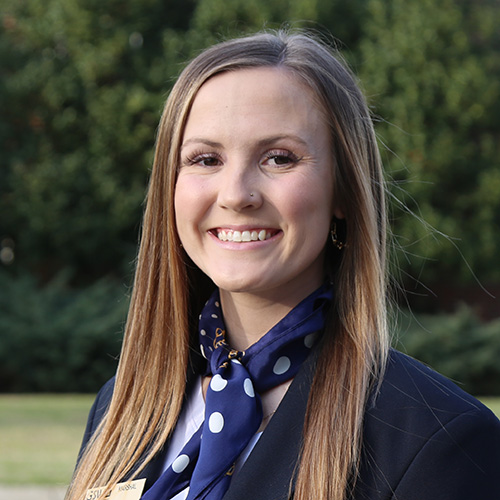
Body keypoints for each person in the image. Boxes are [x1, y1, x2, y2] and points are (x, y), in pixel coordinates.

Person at [66, 31, 500, 500]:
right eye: (206, 158)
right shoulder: (123, 409)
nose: (235, 194)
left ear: (342, 189)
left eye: (278, 158)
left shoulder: (441, 442)